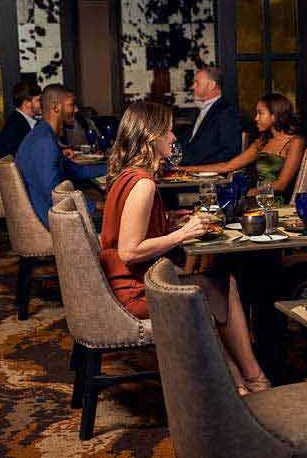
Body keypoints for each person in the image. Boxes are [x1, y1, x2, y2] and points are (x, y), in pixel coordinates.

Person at [99, 101, 270, 396]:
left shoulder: (130, 174)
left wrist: (168, 223)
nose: (174, 138)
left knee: (221, 283)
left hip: (128, 283)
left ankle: (243, 382)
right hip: (136, 292)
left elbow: (129, 232)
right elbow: (129, 251)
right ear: (152, 137)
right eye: (168, 132)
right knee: (217, 289)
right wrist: (182, 234)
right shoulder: (144, 184)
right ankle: (246, 381)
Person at [180, 93, 305, 204]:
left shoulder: (294, 142)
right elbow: (227, 166)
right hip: (257, 200)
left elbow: (281, 185)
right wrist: (183, 169)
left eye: (260, 113)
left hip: (276, 203)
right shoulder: (261, 142)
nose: (256, 118)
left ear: (275, 115)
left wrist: (246, 193)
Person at [15, 84, 106, 227]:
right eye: (72, 105)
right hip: (50, 222)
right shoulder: (45, 142)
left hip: (49, 212)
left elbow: (78, 171)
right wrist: (94, 206)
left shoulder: (43, 134)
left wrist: (114, 165)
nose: (76, 109)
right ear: (55, 107)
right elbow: (54, 195)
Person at [179, 65, 241, 166]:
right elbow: (189, 143)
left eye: (197, 82)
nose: (192, 86)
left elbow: (230, 153)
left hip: (207, 176)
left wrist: (194, 167)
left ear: (211, 85)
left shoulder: (226, 113)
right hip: (189, 170)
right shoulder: (201, 110)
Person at [0, 80, 41, 159]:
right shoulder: (13, 126)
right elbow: (10, 158)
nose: (42, 103)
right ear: (27, 103)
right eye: (38, 100)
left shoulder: (23, 121)